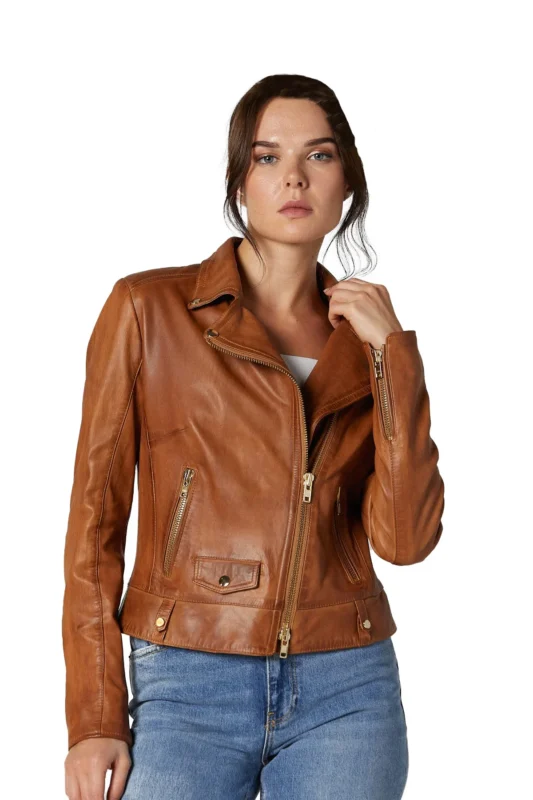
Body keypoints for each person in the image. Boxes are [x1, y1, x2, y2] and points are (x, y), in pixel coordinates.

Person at [63, 73, 444, 800]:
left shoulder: (366, 344)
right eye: (268, 157)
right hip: (185, 680)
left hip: (348, 687)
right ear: (240, 181)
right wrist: (93, 716)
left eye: (319, 156)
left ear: (347, 184)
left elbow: (404, 541)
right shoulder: (148, 310)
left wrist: (394, 359)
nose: (294, 177)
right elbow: (94, 526)